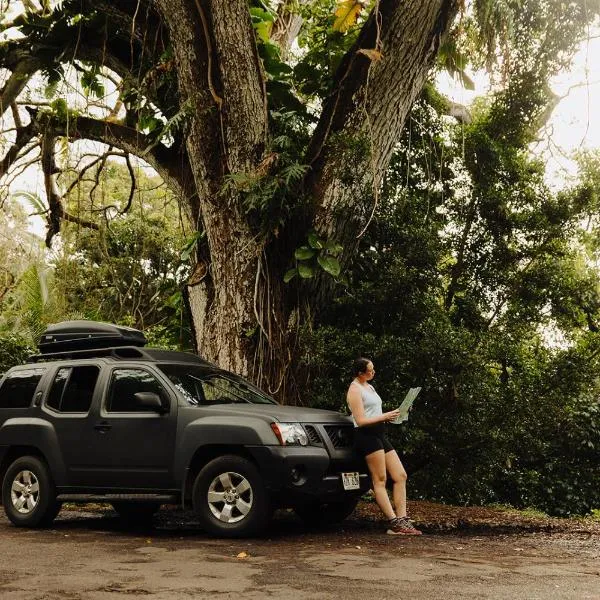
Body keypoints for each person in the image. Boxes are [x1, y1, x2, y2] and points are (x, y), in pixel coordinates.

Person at [346, 357, 422, 535]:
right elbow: (361, 420)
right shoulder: (354, 389)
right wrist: (385, 416)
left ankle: (403, 520)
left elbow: (375, 412)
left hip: (379, 433)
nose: (373, 372)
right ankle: (394, 522)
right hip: (366, 435)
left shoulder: (369, 386)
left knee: (400, 475)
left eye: (373, 369)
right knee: (380, 480)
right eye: (370, 370)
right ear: (360, 373)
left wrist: (397, 413)